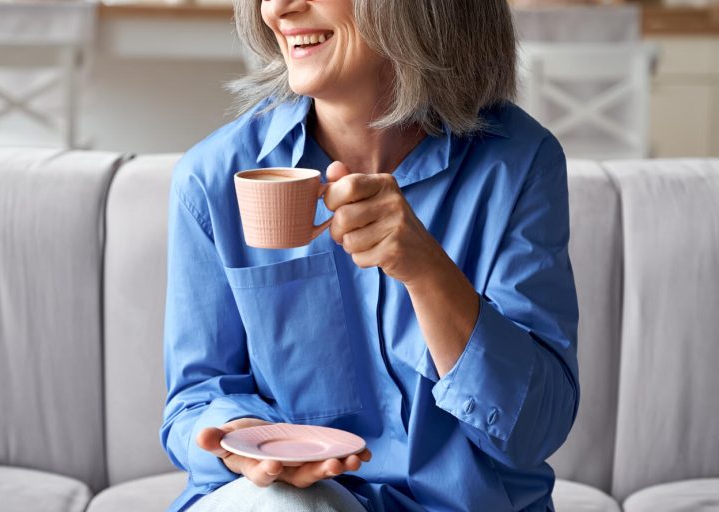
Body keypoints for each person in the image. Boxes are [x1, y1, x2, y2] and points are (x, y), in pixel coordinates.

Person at [160, 0, 580, 510]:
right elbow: (194, 399)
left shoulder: (519, 164)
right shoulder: (212, 179)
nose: (278, 9)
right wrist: (244, 438)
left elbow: (536, 430)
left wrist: (428, 272)